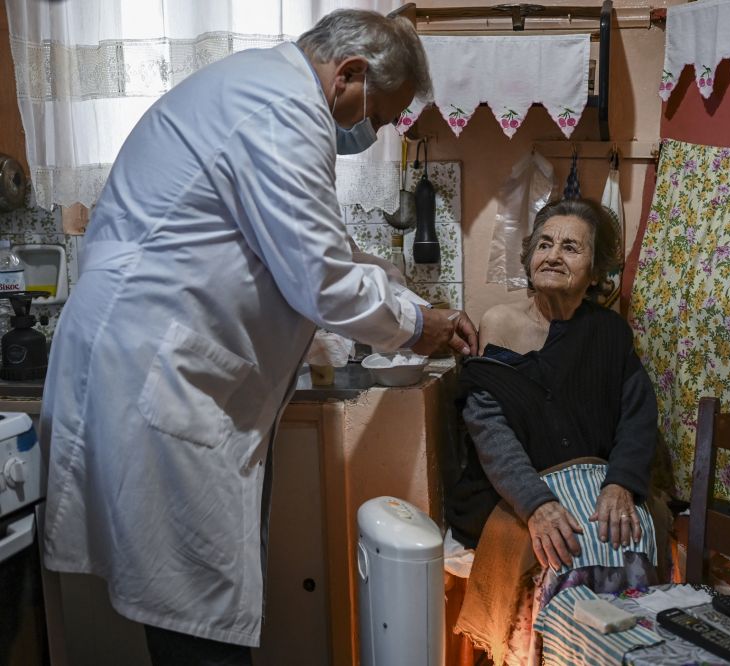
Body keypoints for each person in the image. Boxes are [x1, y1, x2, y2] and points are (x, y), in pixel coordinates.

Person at [39, 9, 476, 664]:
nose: (375, 131)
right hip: (156, 376)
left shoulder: (269, 93)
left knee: (193, 602)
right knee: (194, 614)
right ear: (349, 73)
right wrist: (418, 326)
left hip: (169, 370)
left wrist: (409, 300)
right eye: (379, 116)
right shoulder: (282, 109)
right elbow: (322, 281)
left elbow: (329, 250)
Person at [446, 198, 658, 572]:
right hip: (509, 492)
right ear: (529, 259)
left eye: (570, 247)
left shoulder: (608, 332)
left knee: (632, 540)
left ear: (594, 273)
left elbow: (638, 415)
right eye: (544, 244)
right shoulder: (499, 323)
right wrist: (536, 503)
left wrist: (620, 482)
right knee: (557, 553)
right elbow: (487, 427)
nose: (553, 255)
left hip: (590, 483)